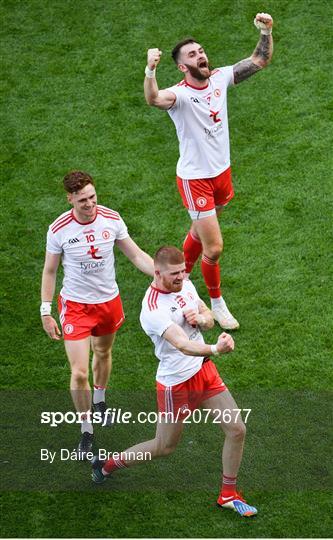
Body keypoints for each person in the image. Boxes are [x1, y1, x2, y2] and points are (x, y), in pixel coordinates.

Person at [91, 246, 257, 518]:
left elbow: (207, 316)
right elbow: (181, 345)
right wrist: (216, 349)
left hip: (204, 371)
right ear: (157, 272)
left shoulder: (187, 284)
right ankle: (108, 465)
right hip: (176, 384)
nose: (181, 277)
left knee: (237, 429)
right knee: (164, 447)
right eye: (174, 274)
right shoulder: (152, 309)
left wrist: (202, 320)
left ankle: (228, 493)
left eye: (182, 271)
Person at [143, 13, 274, 330]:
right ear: (182, 67)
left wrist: (266, 31)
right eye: (192, 54)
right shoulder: (180, 95)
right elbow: (153, 98)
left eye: (200, 51)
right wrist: (150, 70)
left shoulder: (219, 78)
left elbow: (259, 60)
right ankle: (216, 302)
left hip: (221, 174)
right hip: (195, 179)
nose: (200, 55)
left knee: (199, 233)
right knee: (213, 247)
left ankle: (180, 275)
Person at [41, 171, 154, 458]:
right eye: (82, 200)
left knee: (102, 354)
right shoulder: (59, 229)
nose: (90, 204)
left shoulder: (111, 219)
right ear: (70, 199)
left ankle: (100, 400)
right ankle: (86, 429)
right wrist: (46, 311)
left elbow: (137, 256)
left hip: (107, 302)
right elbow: (50, 271)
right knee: (79, 373)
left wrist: (166, 276)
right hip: (76, 307)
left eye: (92, 197)